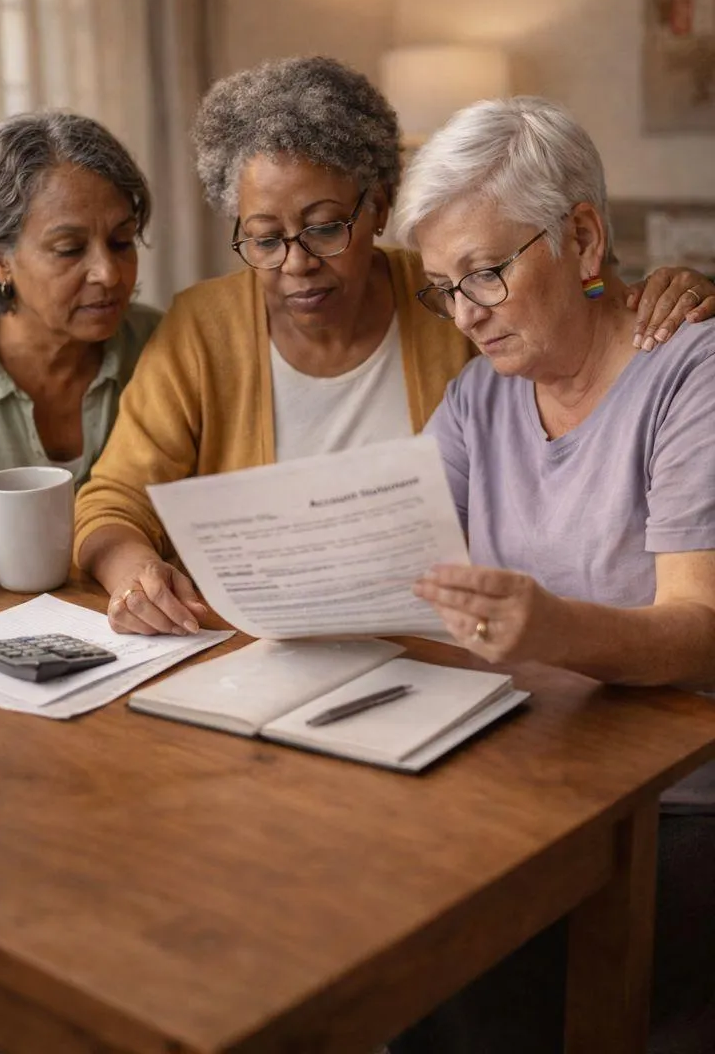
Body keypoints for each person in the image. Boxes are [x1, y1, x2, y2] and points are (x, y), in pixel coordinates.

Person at [74, 55, 714, 638]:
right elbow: (116, 498)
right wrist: (147, 574)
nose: (295, 263)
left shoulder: (454, 310)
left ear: (377, 207)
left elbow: (590, 303)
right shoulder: (474, 377)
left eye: (325, 227)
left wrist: (686, 292)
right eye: (265, 238)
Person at [387, 96, 715, 1053]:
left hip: (678, 800)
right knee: (389, 929)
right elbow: (396, 548)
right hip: (525, 775)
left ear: (580, 240)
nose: (465, 316)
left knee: (479, 971)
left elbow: (701, 626)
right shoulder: (477, 397)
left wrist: (552, 629)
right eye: (443, 289)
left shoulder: (689, 375)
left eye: (484, 273)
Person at [0, 111, 161, 590]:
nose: (108, 274)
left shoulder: (166, 348)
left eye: (121, 241)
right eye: (70, 249)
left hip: (142, 634)